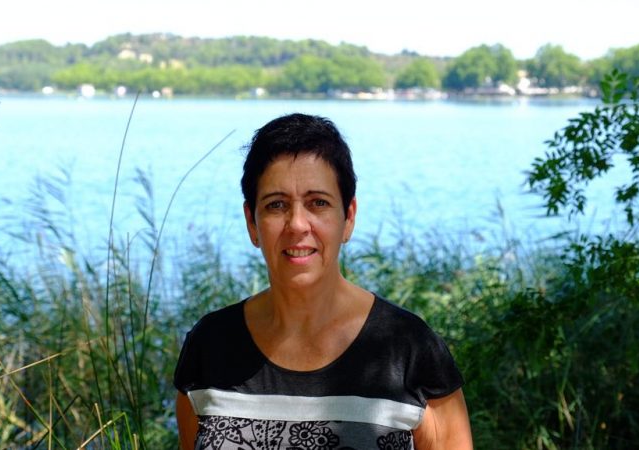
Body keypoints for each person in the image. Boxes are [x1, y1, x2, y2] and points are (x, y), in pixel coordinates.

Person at [174, 113, 472, 449]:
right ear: (252, 223)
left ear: (349, 217)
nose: (297, 224)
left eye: (318, 203)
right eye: (276, 205)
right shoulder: (210, 346)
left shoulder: (410, 350)